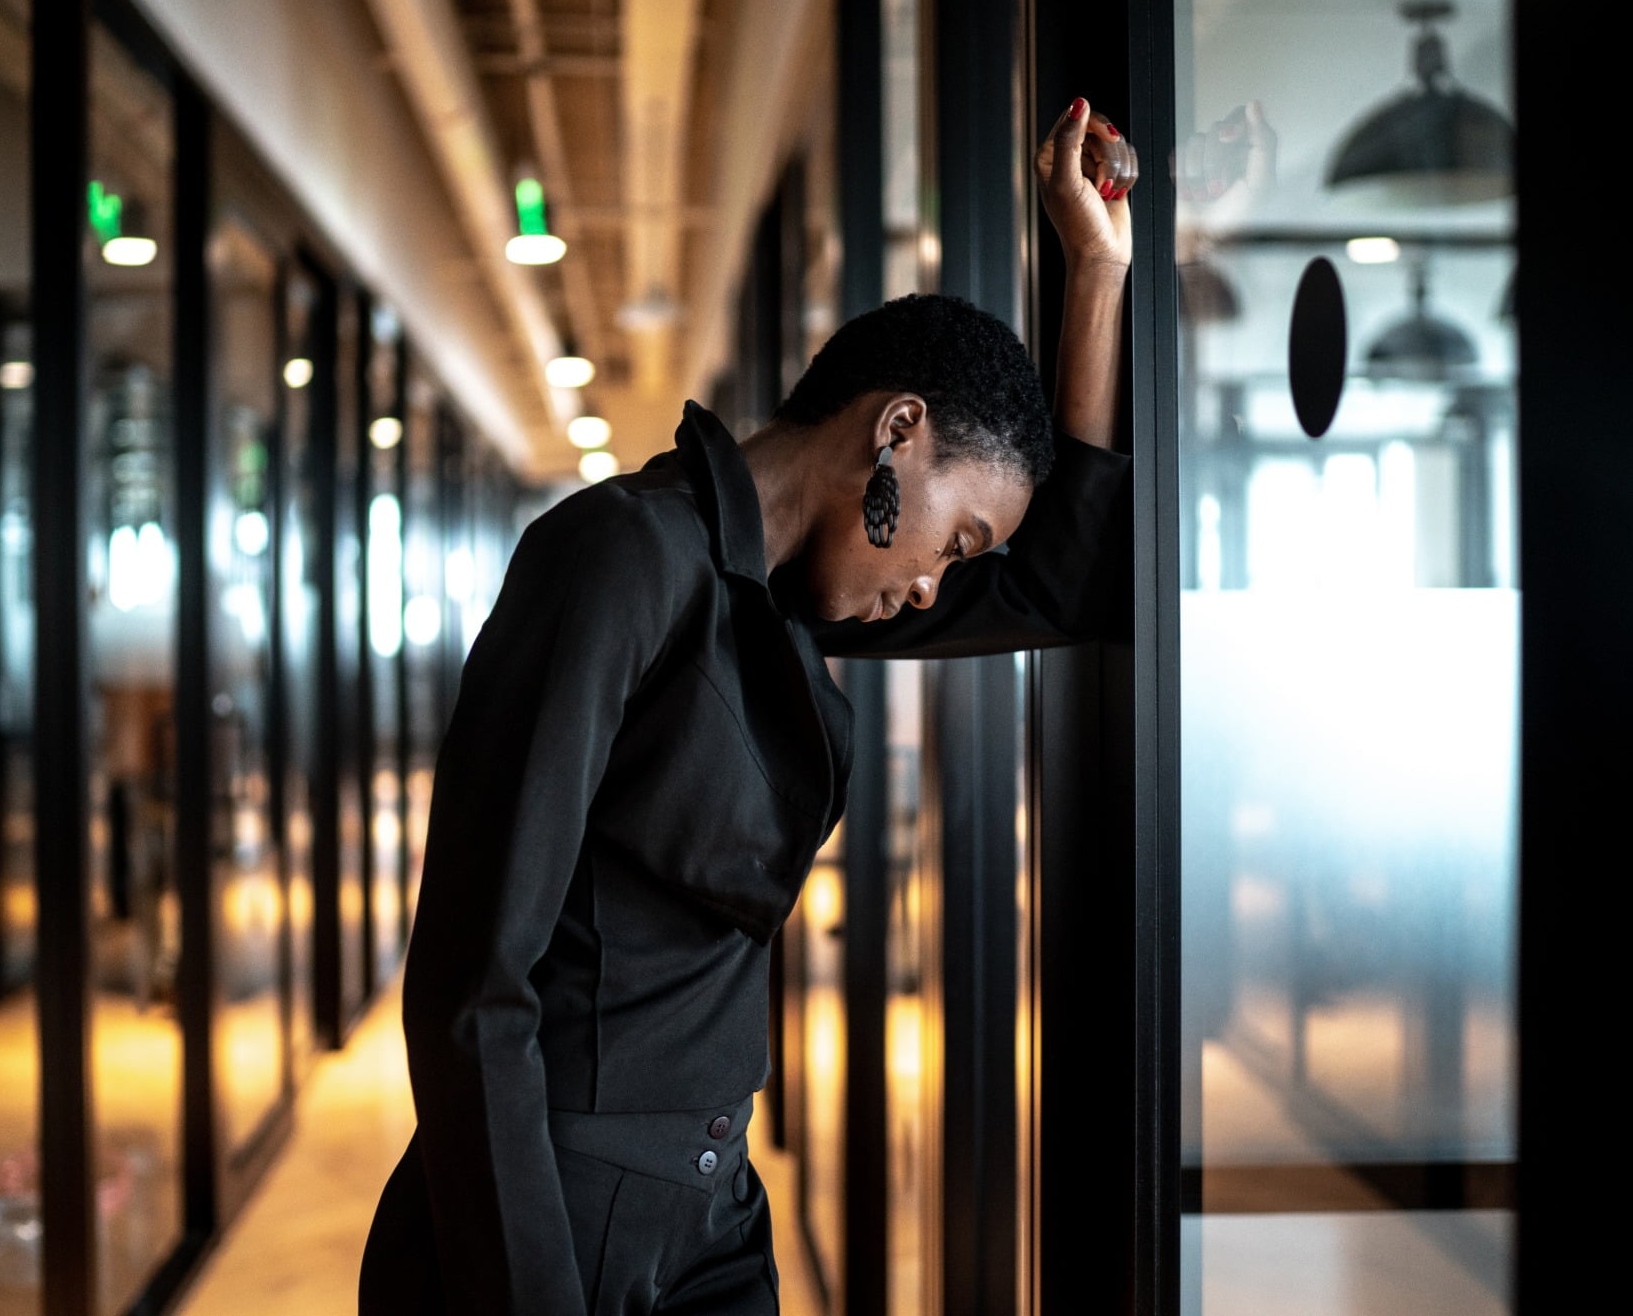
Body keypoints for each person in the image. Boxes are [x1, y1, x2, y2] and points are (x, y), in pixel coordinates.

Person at [358, 98, 1135, 1315]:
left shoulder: (788, 602)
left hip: (715, 1214)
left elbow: (1059, 584)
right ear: (895, 433)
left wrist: (1094, 269)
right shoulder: (618, 560)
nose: (936, 581)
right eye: (954, 536)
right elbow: (472, 984)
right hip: (556, 1217)